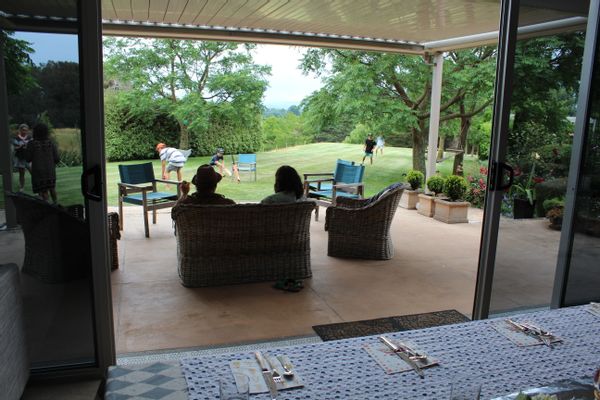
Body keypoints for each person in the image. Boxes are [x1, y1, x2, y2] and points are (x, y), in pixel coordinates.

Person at [25, 123, 59, 203]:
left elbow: (28, 159)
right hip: (50, 171)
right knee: (52, 188)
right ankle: (56, 205)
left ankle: (47, 209)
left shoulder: (31, 144)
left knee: (43, 191)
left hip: (38, 171)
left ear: (35, 132)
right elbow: (57, 159)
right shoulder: (51, 143)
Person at [12, 123, 32, 192]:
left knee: (32, 171)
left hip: (28, 158)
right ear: (20, 130)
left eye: (26, 130)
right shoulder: (16, 138)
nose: (24, 132)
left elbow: (32, 146)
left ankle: (36, 185)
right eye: (23, 130)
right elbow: (15, 148)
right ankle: (22, 187)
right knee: (21, 173)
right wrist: (21, 146)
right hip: (20, 158)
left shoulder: (29, 138)